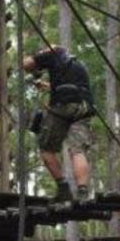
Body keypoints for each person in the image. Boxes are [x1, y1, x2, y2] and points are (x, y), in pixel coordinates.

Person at [22, 46, 94, 202]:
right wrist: (46, 86)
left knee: (46, 148)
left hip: (62, 106)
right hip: (83, 106)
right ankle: (83, 191)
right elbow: (71, 87)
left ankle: (63, 189)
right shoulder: (76, 63)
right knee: (77, 150)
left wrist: (38, 56)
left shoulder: (52, 53)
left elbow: (26, 64)